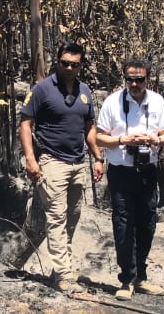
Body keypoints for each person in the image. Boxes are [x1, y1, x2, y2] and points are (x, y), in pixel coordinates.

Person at [16, 42, 104, 292]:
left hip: (77, 163)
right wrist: (31, 160)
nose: (68, 67)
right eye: (64, 62)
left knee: (73, 217)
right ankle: (64, 275)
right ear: (57, 61)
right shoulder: (42, 90)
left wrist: (97, 157)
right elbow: (25, 125)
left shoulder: (84, 91)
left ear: (80, 66)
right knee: (56, 217)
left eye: (74, 64)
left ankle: (60, 267)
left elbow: (89, 128)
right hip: (51, 161)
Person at [96, 59, 164, 299]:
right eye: (130, 79)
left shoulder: (157, 101)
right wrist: (124, 140)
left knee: (147, 223)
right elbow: (99, 138)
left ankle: (141, 277)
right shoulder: (112, 103)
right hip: (121, 171)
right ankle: (126, 280)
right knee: (123, 224)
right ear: (124, 79)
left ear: (148, 79)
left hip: (147, 171)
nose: (135, 84)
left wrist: (156, 141)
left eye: (139, 79)